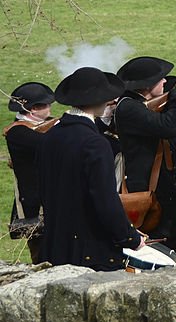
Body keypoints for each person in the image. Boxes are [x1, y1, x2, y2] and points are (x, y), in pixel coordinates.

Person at [37, 67, 144, 270]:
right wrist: (130, 237)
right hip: (89, 251)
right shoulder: (95, 143)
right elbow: (105, 200)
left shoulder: (50, 136)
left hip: (55, 246)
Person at [114, 56, 176, 263]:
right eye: (160, 79)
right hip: (152, 193)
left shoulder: (139, 105)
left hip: (166, 189)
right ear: (146, 85)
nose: (165, 82)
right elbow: (168, 126)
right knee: (164, 248)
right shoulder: (128, 107)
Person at [3, 82, 55, 263]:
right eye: (46, 105)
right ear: (33, 109)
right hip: (35, 201)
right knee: (41, 253)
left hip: (51, 195)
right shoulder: (18, 132)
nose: (50, 108)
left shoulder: (46, 124)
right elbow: (48, 145)